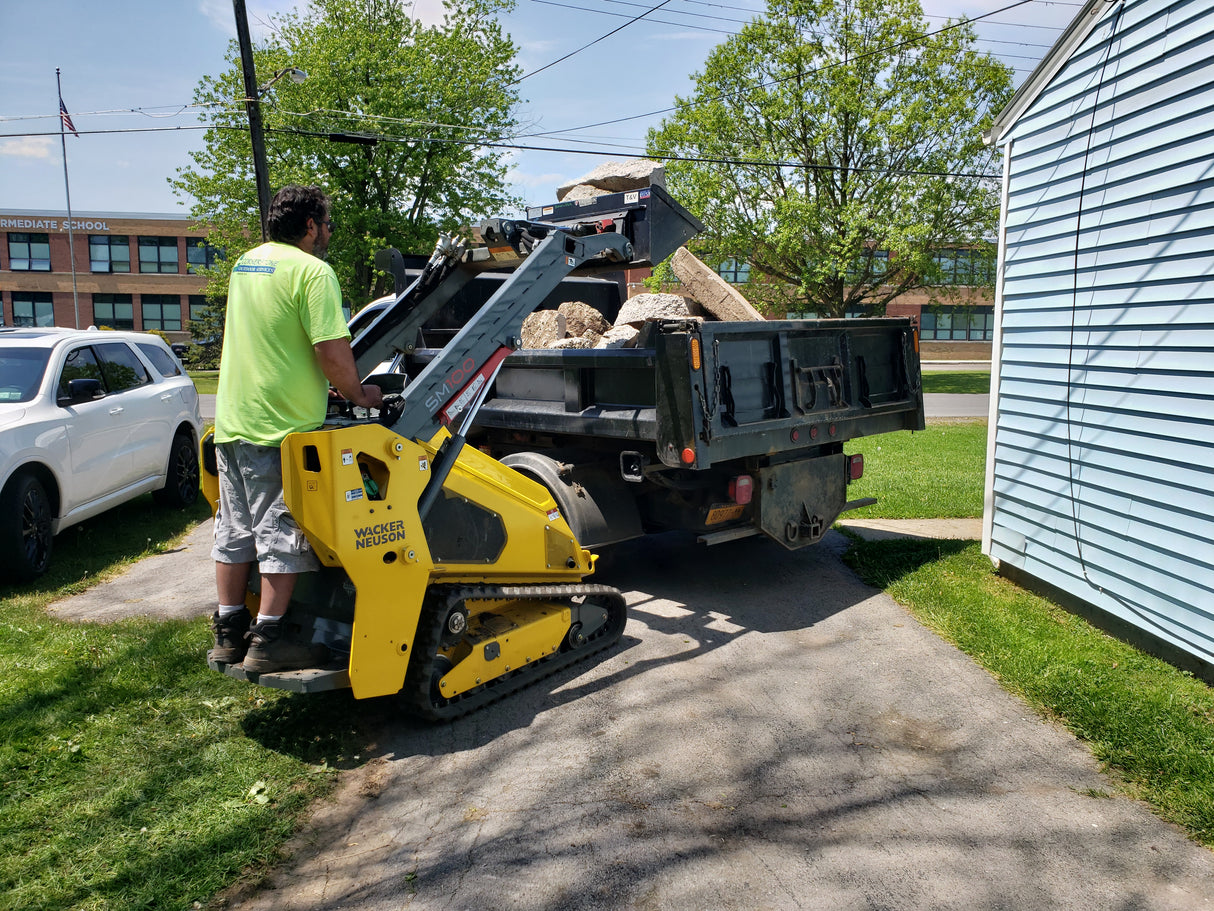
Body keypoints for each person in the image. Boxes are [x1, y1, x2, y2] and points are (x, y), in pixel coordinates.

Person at [208, 185, 383, 673]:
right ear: (309, 226)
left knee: (234, 529)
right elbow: (330, 350)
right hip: (279, 428)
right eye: (326, 224)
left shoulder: (246, 264)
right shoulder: (312, 271)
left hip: (233, 421)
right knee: (280, 534)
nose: (328, 232)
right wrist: (358, 394)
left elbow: (275, 338)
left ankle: (228, 632)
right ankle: (269, 639)